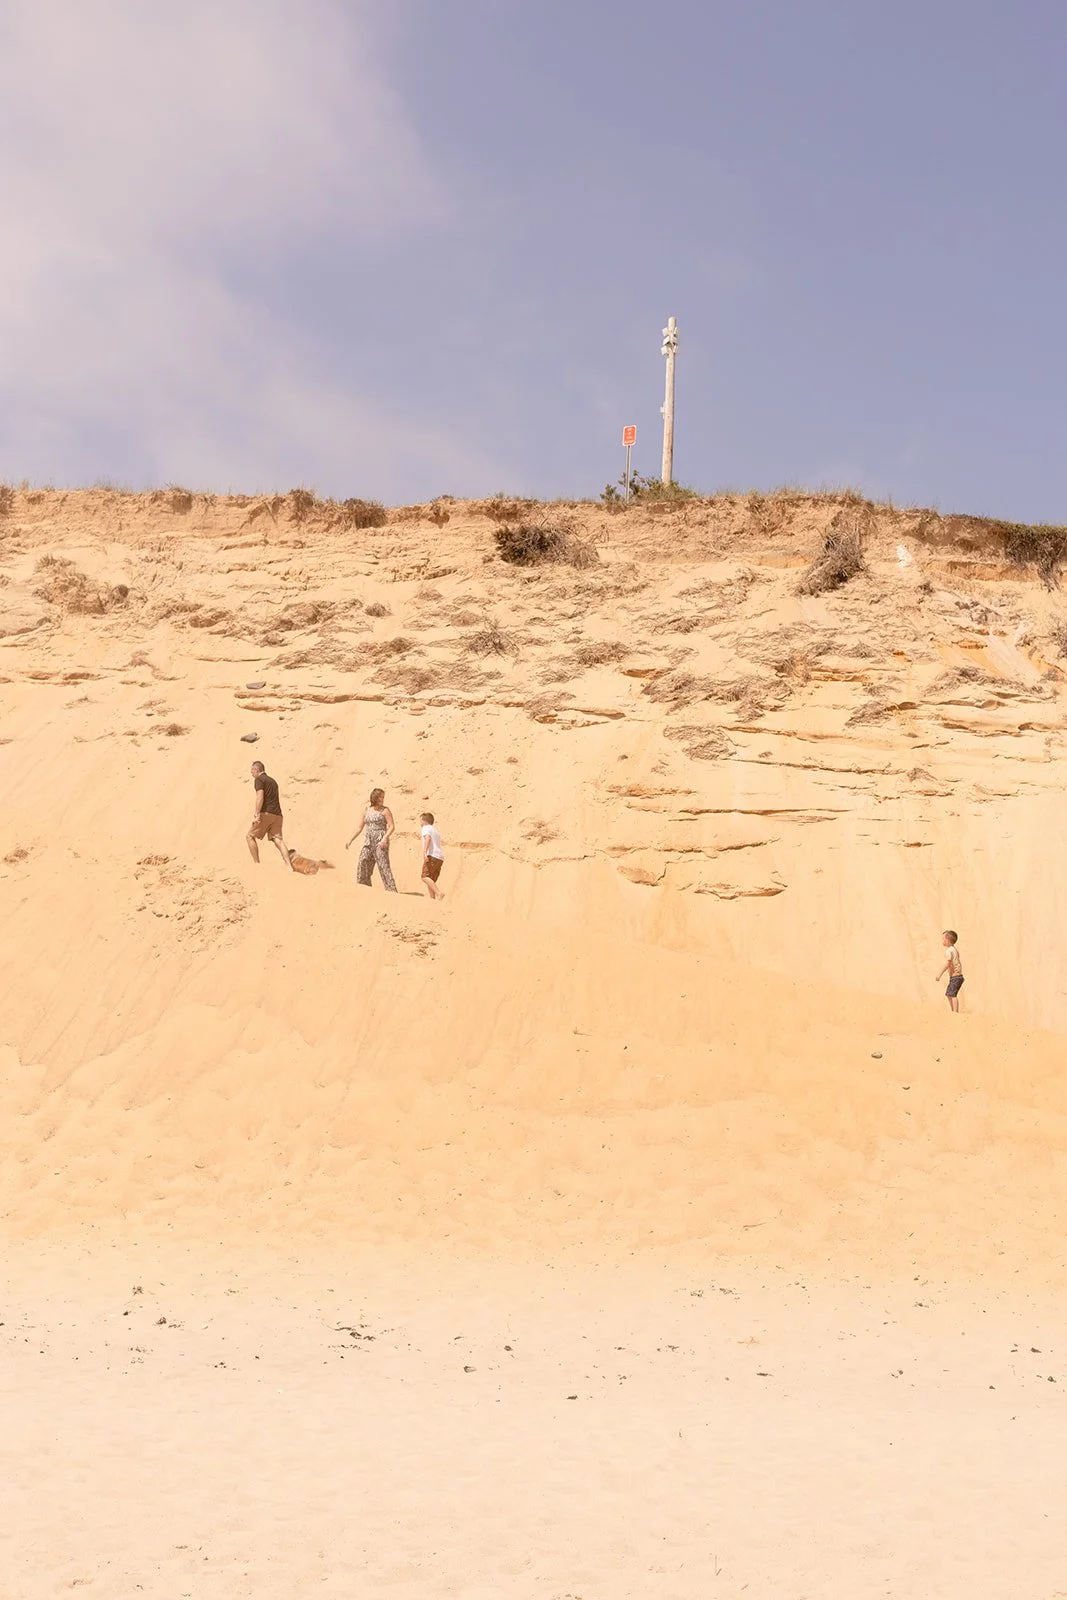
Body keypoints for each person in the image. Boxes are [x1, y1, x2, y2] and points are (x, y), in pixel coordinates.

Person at [346, 787, 397, 891]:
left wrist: (384, 839)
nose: (382, 799)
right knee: (363, 861)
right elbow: (359, 827)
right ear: (375, 798)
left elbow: (392, 826)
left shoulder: (385, 810)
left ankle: (391, 890)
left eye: (383, 797)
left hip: (380, 841)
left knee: (383, 866)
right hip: (368, 841)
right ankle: (363, 888)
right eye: (380, 797)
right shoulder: (367, 810)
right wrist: (350, 840)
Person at [246, 761, 292, 869]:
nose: (251, 774)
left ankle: (256, 865)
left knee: (249, 836)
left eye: (252, 771)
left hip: (266, 813)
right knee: (278, 840)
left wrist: (257, 815)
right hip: (278, 815)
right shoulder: (273, 781)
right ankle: (289, 866)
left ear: (256, 770)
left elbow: (260, 797)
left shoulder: (259, 780)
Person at [936, 929, 964, 1012]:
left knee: (952, 995)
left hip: (956, 977)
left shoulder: (949, 951)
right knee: (949, 994)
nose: (942, 941)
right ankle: (953, 1011)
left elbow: (947, 964)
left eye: (943, 939)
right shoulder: (954, 949)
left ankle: (955, 1012)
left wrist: (939, 974)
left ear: (947, 940)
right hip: (956, 977)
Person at [419, 811, 445, 899]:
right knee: (431, 880)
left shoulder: (426, 828)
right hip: (440, 857)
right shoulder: (435, 831)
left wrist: (424, 853)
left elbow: (427, 838)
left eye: (421, 821)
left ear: (424, 820)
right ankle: (432, 900)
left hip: (432, 855)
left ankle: (438, 893)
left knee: (424, 877)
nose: (420, 823)